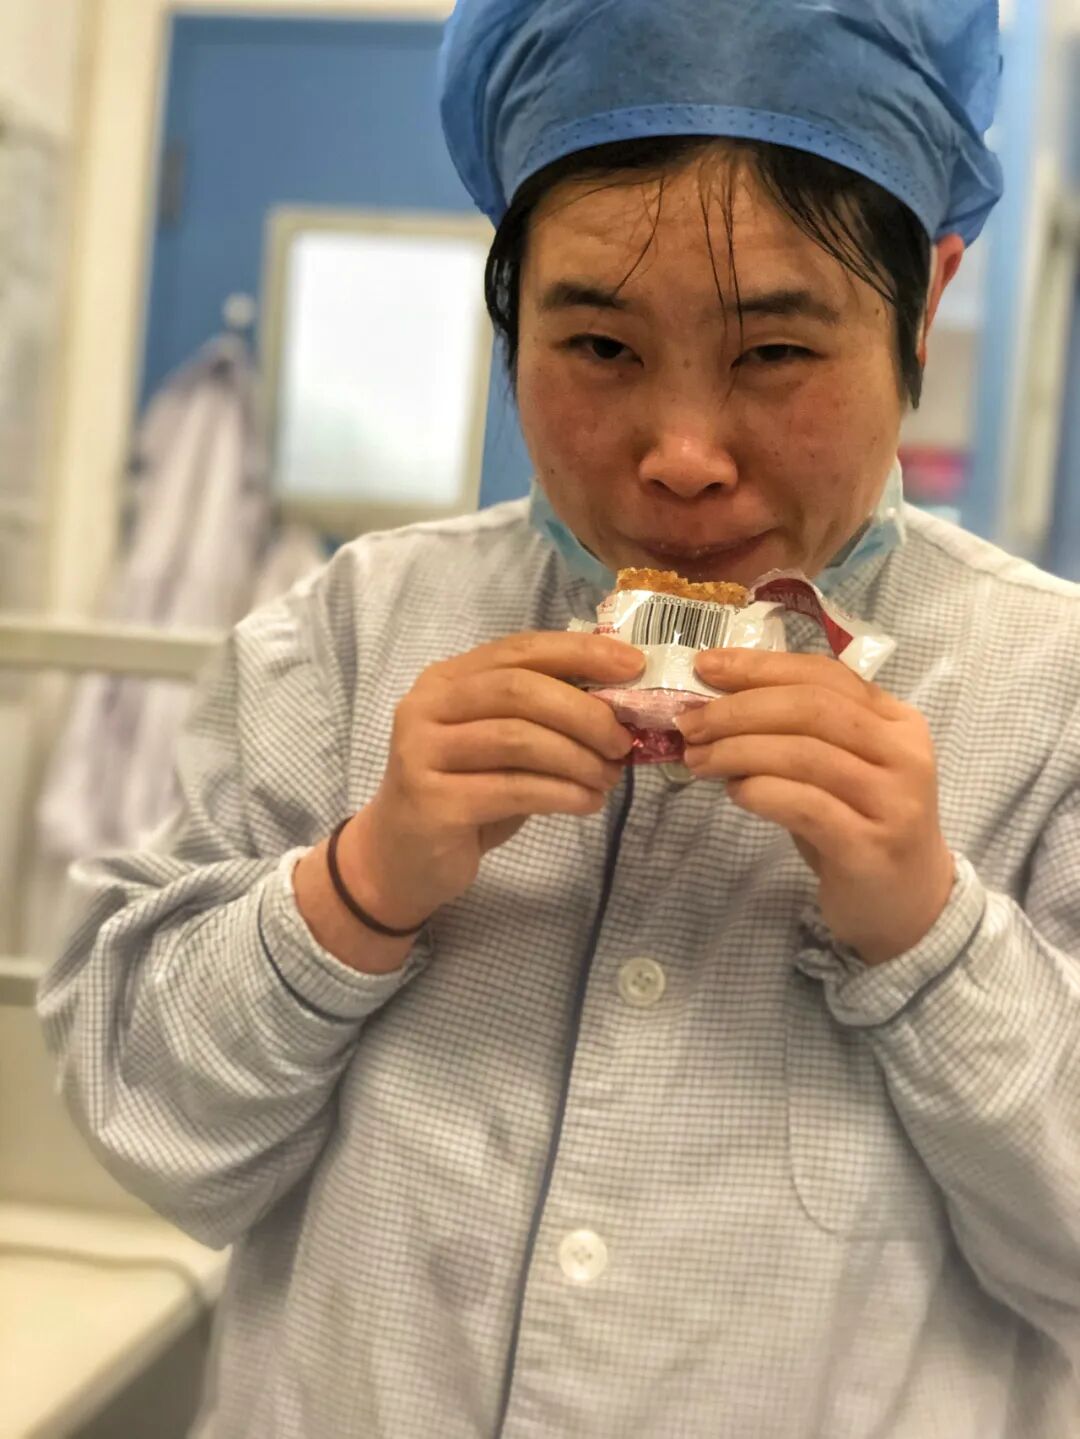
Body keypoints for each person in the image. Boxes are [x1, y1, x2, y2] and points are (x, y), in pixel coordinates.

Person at [37, 1, 1080, 1435]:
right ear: (513, 307)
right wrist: (358, 885)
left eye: (776, 352)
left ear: (926, 302)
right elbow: (150, 1131)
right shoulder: (348, 634)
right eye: (598, 344)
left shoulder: (1050, 696)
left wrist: (933, 936)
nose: (684, 456)